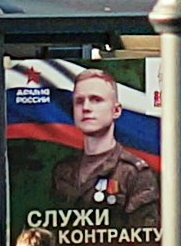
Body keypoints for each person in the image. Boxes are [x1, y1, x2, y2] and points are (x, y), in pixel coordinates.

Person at [53, 66, 159, 213]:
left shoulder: (135, 173)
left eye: (96, 100)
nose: (86, 108)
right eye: (79, 101)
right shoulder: (63, 170)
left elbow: (146, 232)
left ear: (116, 110)